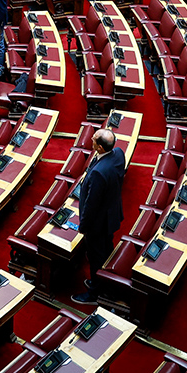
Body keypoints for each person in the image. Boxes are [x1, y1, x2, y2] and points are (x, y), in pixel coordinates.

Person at [73, 129, 126, 305]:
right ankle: (105, 279)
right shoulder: (118, 153)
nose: (91, 139)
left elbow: (91, 204)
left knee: (95, 257)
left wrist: (83, 226)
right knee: (106, 248)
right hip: (111, 214)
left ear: (101, 147)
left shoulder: (99, 173)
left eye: (94, 140)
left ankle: (95, 293)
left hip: (98, 223)